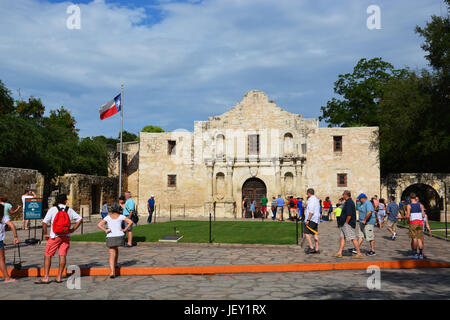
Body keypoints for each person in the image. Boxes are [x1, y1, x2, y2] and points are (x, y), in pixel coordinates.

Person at [35, 194, 83, 284]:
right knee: (62, 255)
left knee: (48, 255)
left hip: (55, 236)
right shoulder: (69, 210)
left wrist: (45, 233)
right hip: (65, 236)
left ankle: (46, 277)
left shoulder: (53, 209)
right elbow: (80, 219)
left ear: (57, 201)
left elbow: (44, 222)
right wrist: (72, 229)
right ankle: (59, 277)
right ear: (65, 201)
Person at [97, 204, 134, 278]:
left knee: (111, 253)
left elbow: (99, 225)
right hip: (120, 236)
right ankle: (116, 264)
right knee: (115, 248)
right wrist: (125, 229)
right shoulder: (121, 216)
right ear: (118, 210)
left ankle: (112, 272)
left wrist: (106, 230)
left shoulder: (107, 217)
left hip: (111, 236)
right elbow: (130, 222)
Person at [332, 190, 363, 259]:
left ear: (346, 195)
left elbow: (349, 214)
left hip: (348, 224)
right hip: (344, 224)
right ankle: (339, 252)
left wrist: (346, 222)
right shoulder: (347, 202)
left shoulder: (349, 202)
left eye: (343, 194)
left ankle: (359, 253)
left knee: (353, 238)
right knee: (342, 237)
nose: (343, 196)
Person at [0, 204, 20, 283]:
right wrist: (15, 237)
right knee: (1, 260)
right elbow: (12, 226)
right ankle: (7, 278)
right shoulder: (3, 218)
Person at [405, 193, 426, 259]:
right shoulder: (421, 205)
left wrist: (401, 218)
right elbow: (423, 215)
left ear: (410, 198)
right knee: (419, 238)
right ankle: (420, 254)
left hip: (413, 223)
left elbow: (408, 216)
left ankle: (415, 254)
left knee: (414, 238)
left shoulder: (409, 205)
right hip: (420, 223)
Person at [304, 188, 320, 254]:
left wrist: (308, 219)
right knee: (314, 233)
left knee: (306, 233)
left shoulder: (311, 200)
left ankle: (311, 247)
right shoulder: (316, 199)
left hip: (312, 219)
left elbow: (311, 211)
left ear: (308, 193)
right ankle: (317, 248)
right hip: (316, 219)